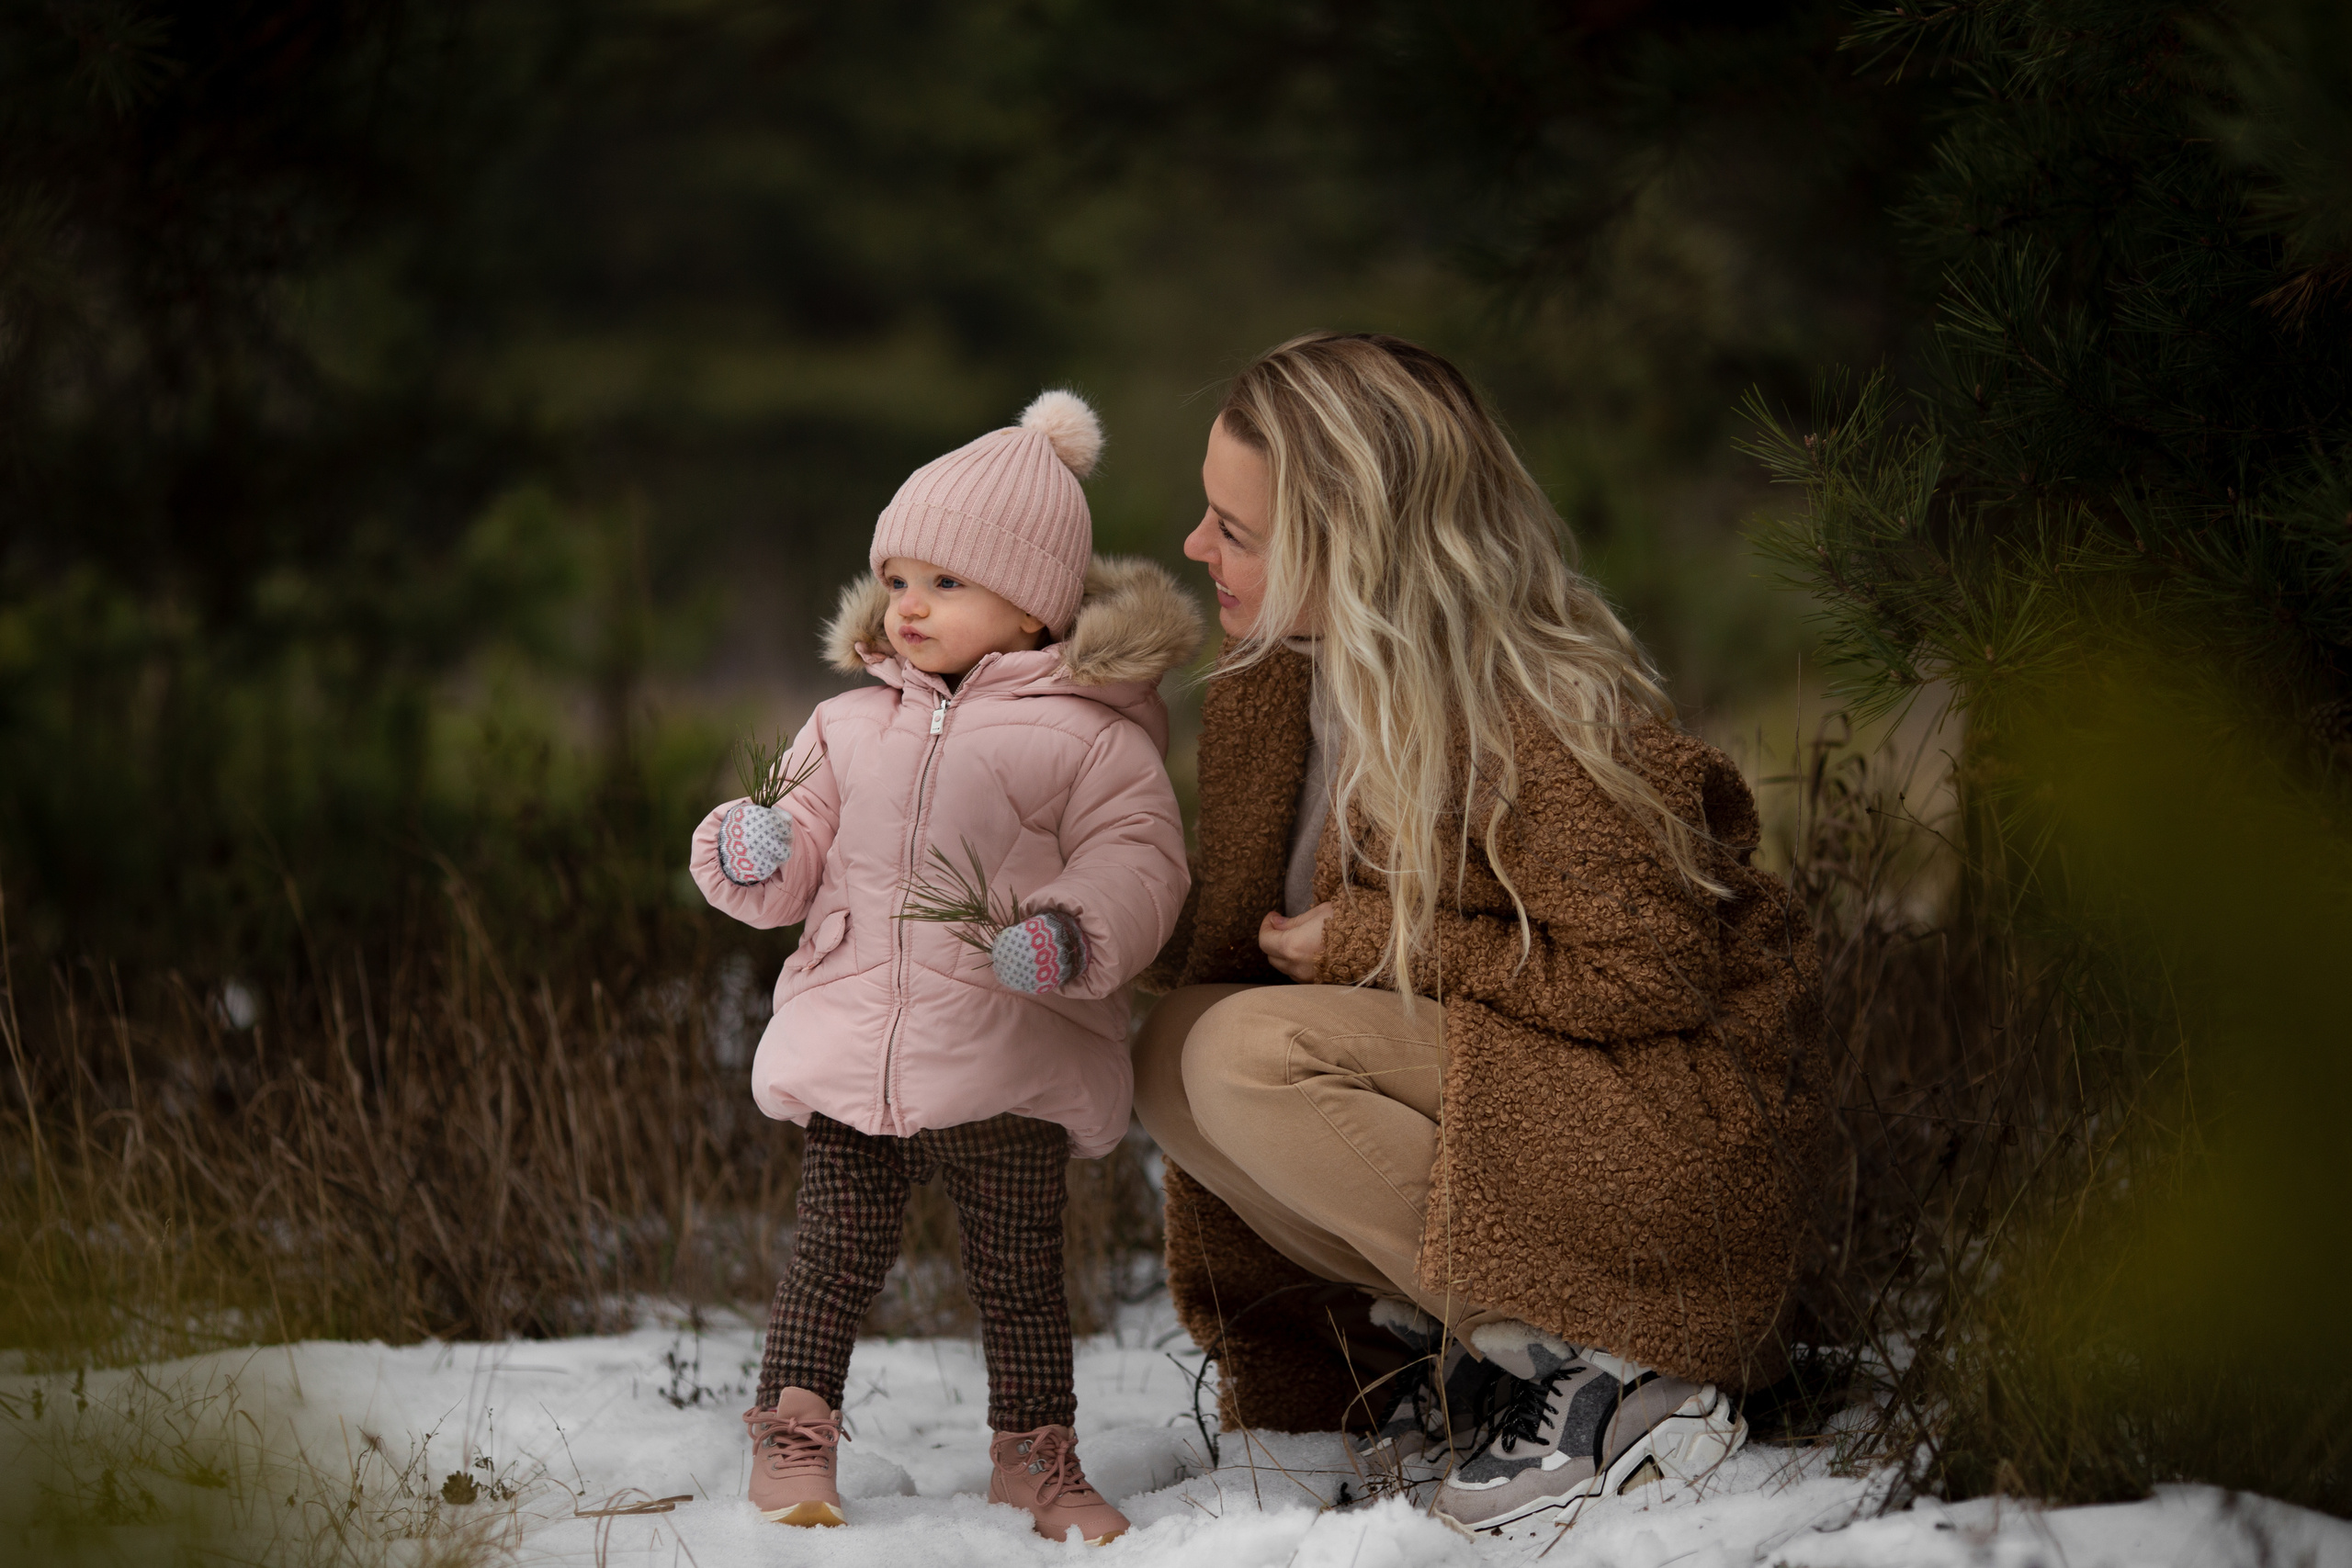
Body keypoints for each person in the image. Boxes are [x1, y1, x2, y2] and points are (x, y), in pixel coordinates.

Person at [1134, 333, 1826, 1531]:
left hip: (1662, 1128)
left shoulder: (1537, 706)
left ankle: (1620, 1364)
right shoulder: (1277, 686)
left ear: (1352, 543)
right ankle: (1466, 1357)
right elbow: (1233, 944)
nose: (1199, 547)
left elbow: (1653, 977)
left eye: (1234, 529)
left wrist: (1369, 940)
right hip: (1522, 1087)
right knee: (1172, 1050)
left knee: (1249, 1055)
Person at [692, 391, 1198, 1542]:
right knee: (829, 1255)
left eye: (947, 584)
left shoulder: (1095, 737)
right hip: (859, 1047)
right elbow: (800, 844)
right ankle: (792, 1430)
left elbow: (1140, 865)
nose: (909, 606)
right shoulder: (846, 726)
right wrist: (748, 846)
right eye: (901, 577)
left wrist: (1068, 935)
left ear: (1033, 612)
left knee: (1019, 1275)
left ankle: (1033, 1454)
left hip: (1012, 1053)